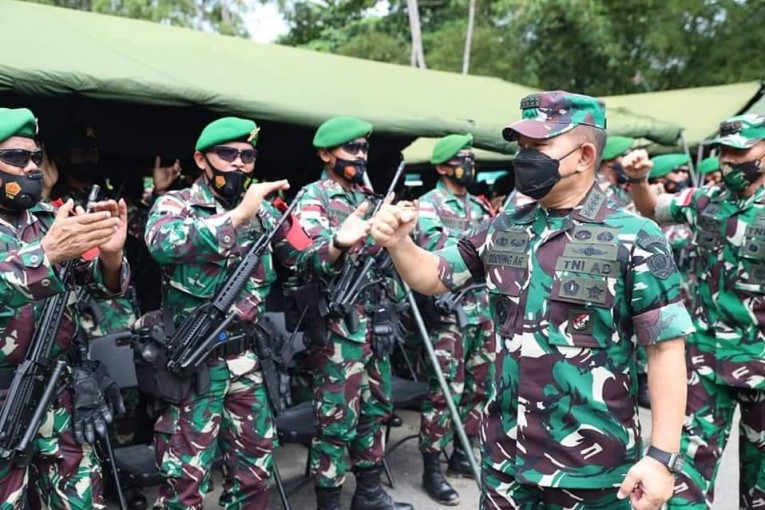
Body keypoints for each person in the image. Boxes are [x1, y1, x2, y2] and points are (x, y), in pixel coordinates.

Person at [370, 91, 693, 510]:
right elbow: (434, 275)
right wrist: (400, 243)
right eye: (521, 147)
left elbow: (666, 350)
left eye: (539, 147)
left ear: (584, 155)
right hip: (507, 463)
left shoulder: (635, 236)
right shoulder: (506, 226)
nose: (525, 158)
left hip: (593, 470)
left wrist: (661, 459)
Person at [144, 117, 333, 509]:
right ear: (201, 159)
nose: (239, 164)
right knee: (183, 483)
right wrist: (239, 216)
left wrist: (342, 243)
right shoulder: (176, 204)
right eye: (227, 154)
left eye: (247, 156)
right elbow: (162, 243)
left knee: (254, 476)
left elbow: (304, 256)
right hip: (193, 367)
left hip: (247, 364)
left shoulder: (267, 212)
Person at [623, 113, 765, 509]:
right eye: (724, 152)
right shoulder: (705, 199)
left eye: (741, 151)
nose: (730, 161)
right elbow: (652, 208)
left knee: (761, 486)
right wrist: (638, 181)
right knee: (684, 479)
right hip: (705, 362)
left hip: (761, 362)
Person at [0, 107, 130, 509]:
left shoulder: (51, 219)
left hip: (62, 394)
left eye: (35, 157)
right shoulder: (51, 235)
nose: (30, 167)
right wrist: (45, 255)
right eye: (16, 158)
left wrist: (111, 257)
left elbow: (104, 287)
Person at [291, 116, 413, 510]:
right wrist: (338, 244)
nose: (360, 157)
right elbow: (303, 259)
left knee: (376, 410)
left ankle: (369, 492)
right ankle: (328, 501)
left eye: (363, 149)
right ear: (326, 154)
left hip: (375, 323)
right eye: (351, 149)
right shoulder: (313, 198)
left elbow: (390, 263)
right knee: (335, 421)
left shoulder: (373, 197)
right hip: (337, 330)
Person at [413, 133, 494, 505]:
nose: (468, 165)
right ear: (443, 166)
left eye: (470, 158)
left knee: (481, 386)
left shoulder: (478, 208)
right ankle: (431, 465)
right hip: (449, 315)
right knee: (445, 392)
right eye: (461, 159)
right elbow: (438, 254)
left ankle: (463, 452)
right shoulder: (427, 205)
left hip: (482, 311)